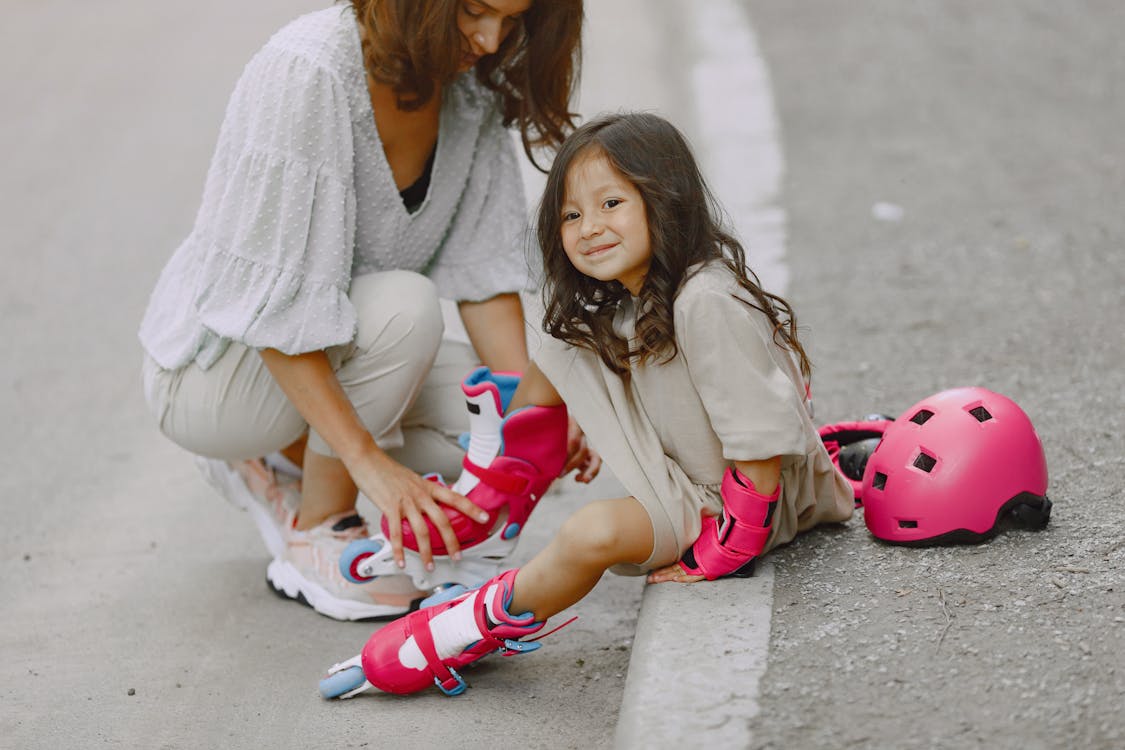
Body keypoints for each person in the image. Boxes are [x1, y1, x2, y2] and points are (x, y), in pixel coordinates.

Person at [321, 112, 856, 698]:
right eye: (571, 215)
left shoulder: (706, 298)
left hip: (743, 506)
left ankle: (469, 625)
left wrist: (725, 551)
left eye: (610, 204)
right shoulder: (624, 303)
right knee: (563, 334)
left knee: (590, 532)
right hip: (683, 483)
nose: (588, 227)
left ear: (665, 200)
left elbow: (756, 445)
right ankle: (489, 510)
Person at [138, 0, 593, 622]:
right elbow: (274, 309)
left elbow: (485, 280)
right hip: (215, 372)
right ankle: (320, 523)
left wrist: (540, 413)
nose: (490, 41)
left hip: (349, 346)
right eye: (477, 11)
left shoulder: (465, 90)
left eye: (512, 23)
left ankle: (287, 458)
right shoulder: (306, 71)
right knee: (407, 307)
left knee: (494, 441)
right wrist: (368, 466)